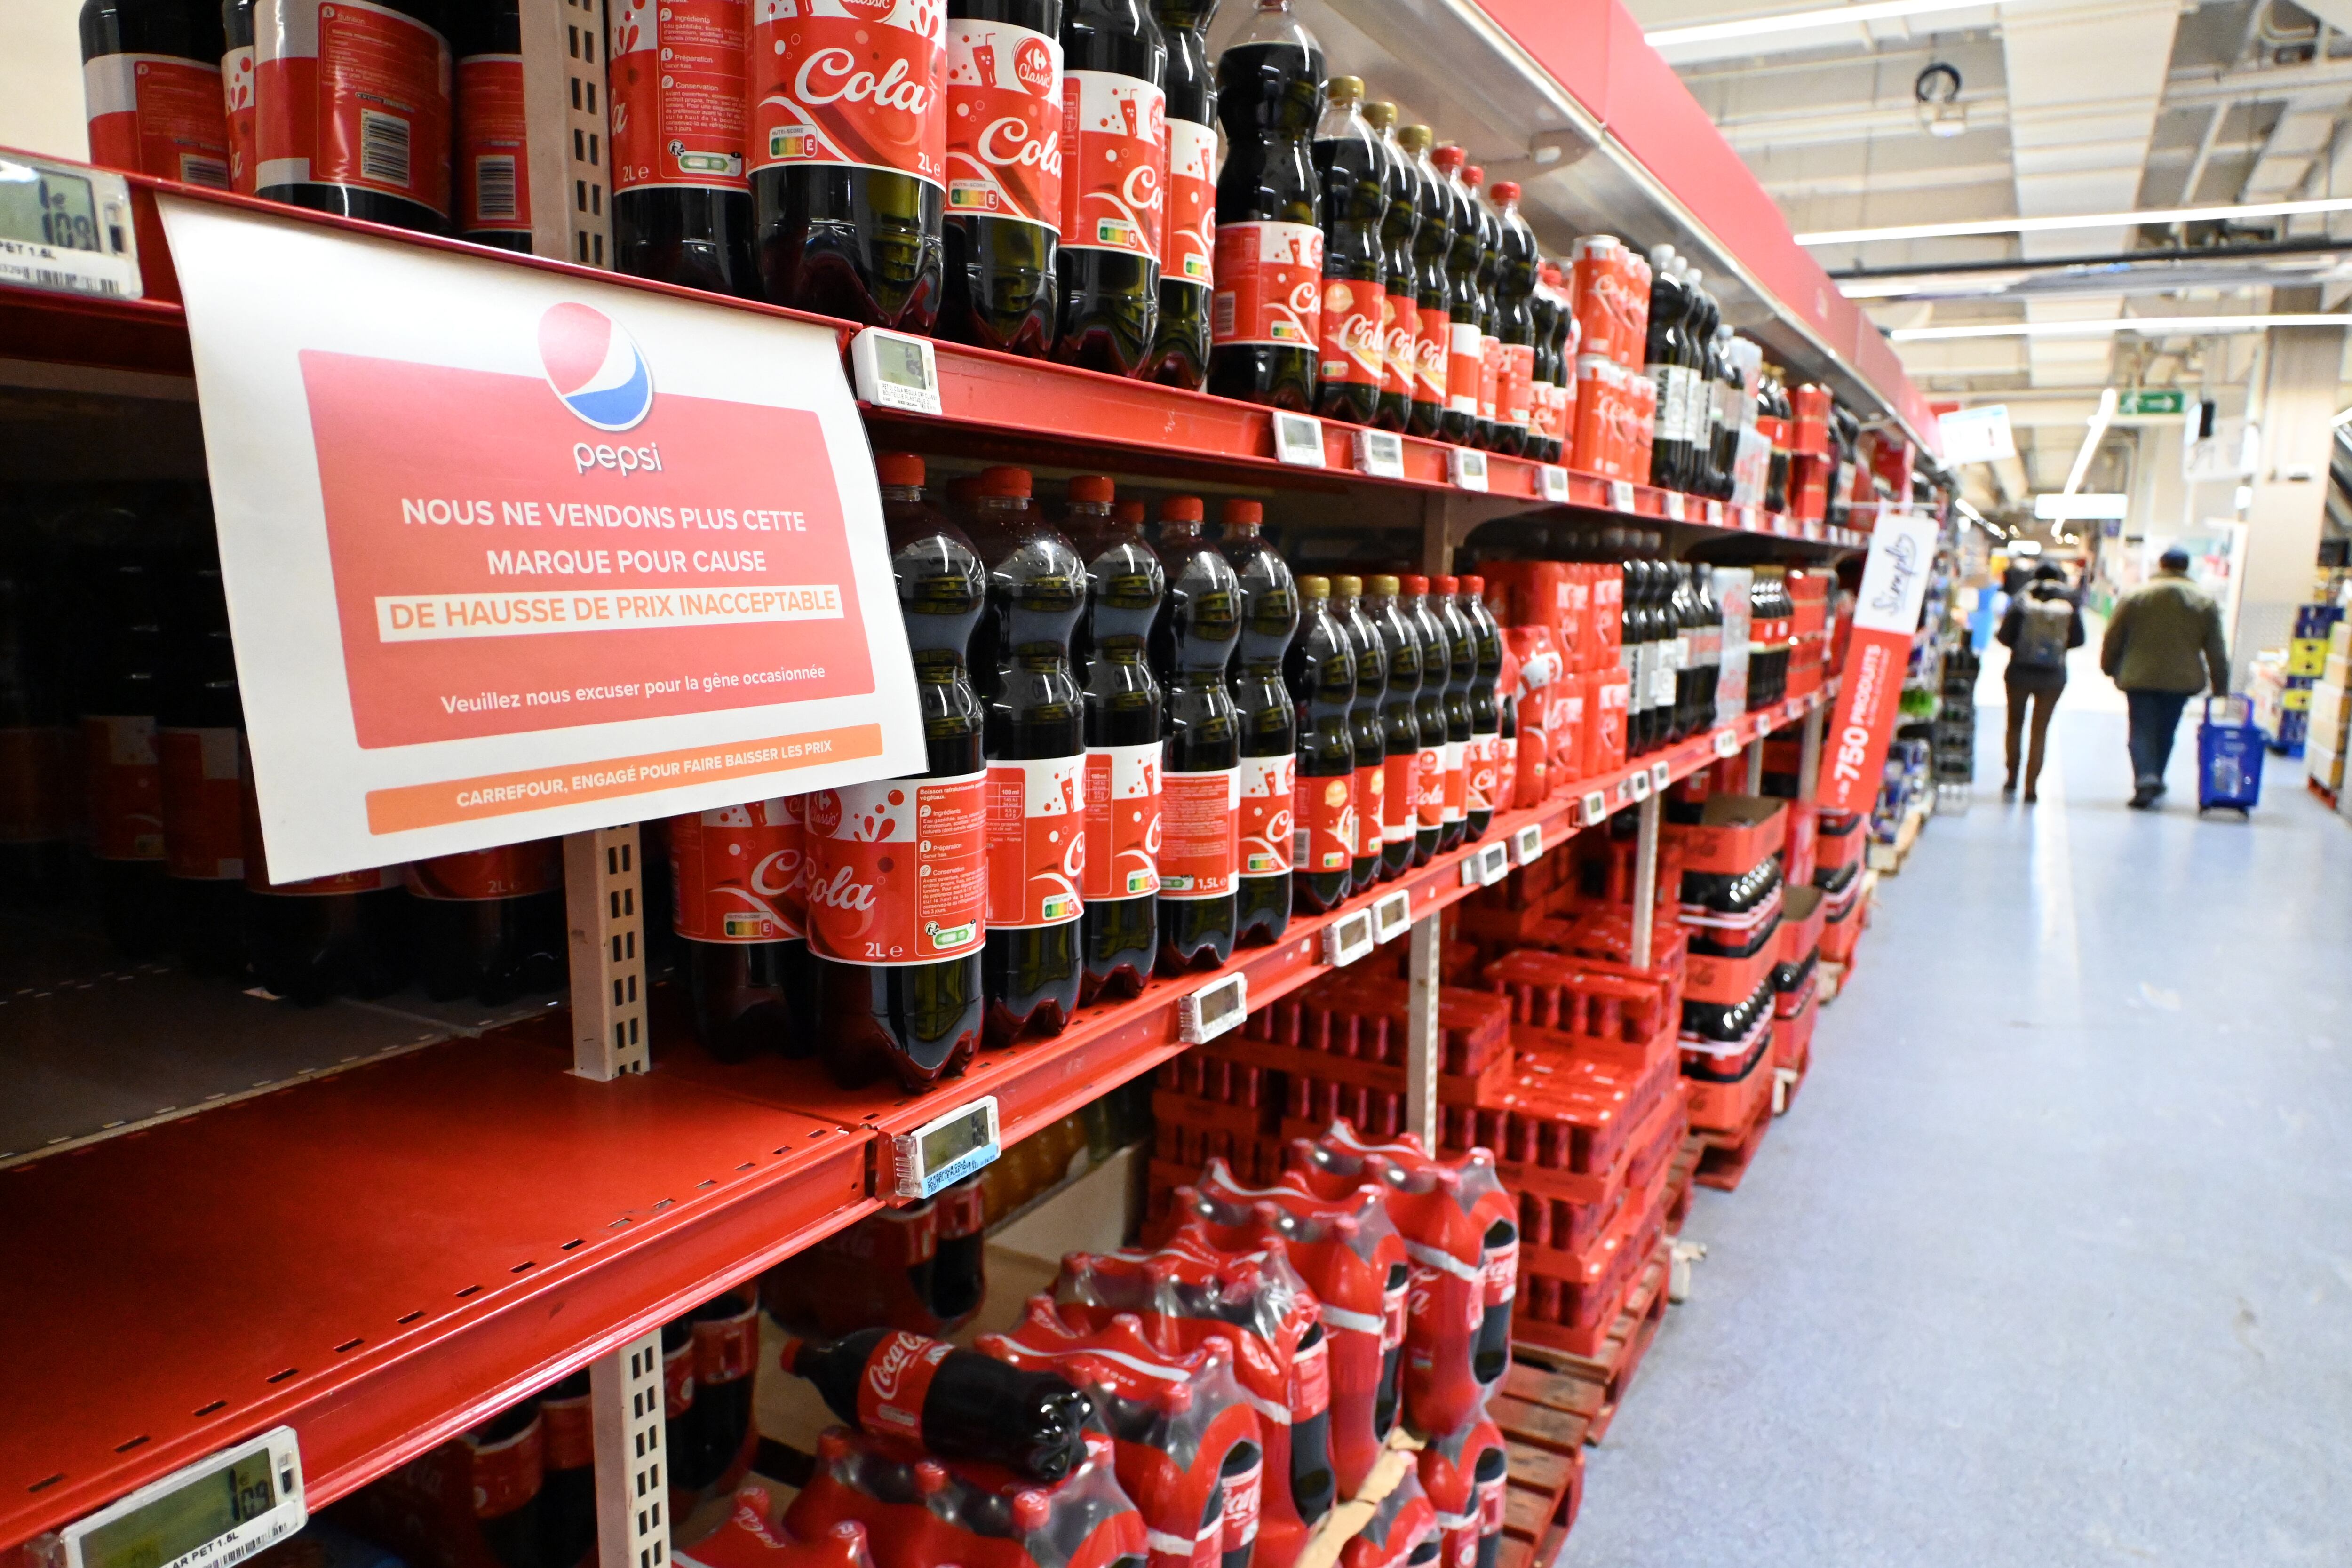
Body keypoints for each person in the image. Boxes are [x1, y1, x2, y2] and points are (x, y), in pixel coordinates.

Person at [2100, 546, 2230, 809]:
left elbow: (2114, 635)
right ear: (2187, 567)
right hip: (2181, 679)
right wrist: (2221, 685)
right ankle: (2156, 776)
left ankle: (2146, 778)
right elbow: (2216, 648)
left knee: (2141, 729)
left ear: (2161, 565)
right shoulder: (2203, 601)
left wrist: (2108, 665)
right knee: (2167, 730)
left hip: (2140, 675)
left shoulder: (2136, 596)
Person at [1995, 562, 2082, 802]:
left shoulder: (2022, 600)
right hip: (2053, 676)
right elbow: (2078, 640)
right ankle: (2031, 787)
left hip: (2019, 672)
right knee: (2040, 730)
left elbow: (2004, 637)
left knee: (2015, 725)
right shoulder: (2070, 603)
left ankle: (2012, 776)